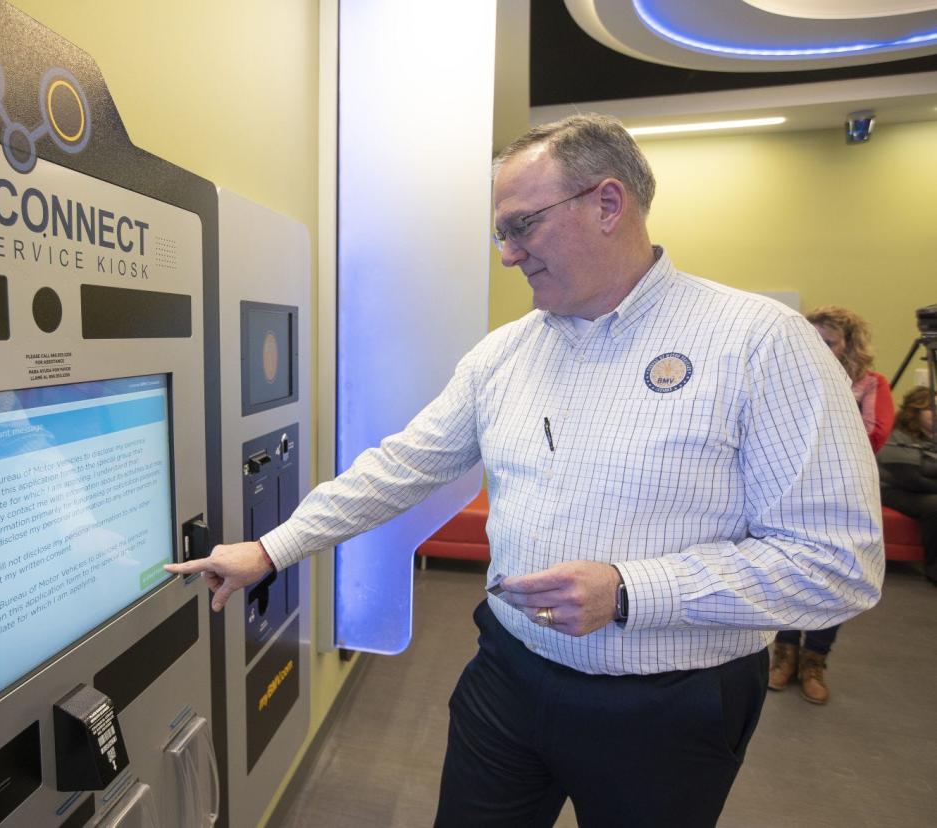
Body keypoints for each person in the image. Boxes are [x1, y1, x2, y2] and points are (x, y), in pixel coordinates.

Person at [166, 114, 883, 827]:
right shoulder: (503, 356)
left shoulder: (760, 343)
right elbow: (400, 467)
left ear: (607, 204)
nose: (507, 254)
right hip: (508, 675)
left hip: (670, 708)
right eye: (499, 233)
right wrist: (271, 549)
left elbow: (837, 563)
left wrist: (632, 591)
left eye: (523, 226)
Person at [768, 306, 894, 704]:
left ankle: (814, 662)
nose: (819, 348)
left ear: (848, 346)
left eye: (828, 342)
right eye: (813, 339)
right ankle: (783, 655)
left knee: (830, 578)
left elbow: (874, 434)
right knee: (784, 572)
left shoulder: (870, 385)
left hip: (842, 492)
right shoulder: (788, 378)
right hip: (787, 489)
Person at [878, 386, 937, 585]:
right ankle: (933, 568)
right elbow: (909, 478)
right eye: (931, 408)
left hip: (920, 488)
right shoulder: (899, 435)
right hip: (893, 489)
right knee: (934, 505)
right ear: (916, 411)